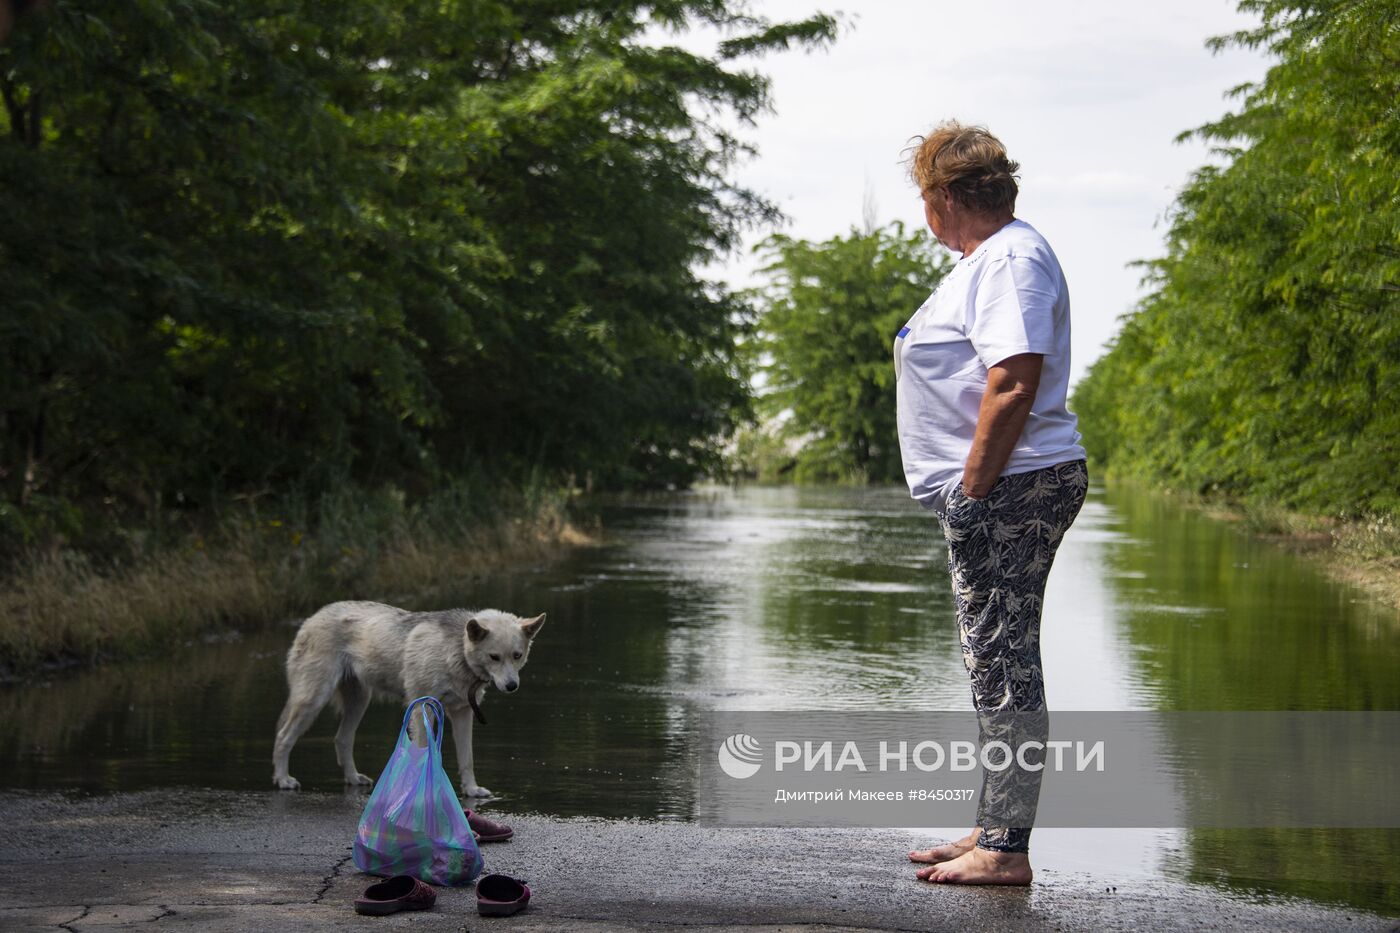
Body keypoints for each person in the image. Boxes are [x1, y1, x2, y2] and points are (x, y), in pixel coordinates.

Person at [893, 121, 1088, 885]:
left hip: (1013, 486)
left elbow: (1012, 382)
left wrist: (971, 495)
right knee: (992, 660)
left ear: (943, 197)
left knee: (1005, 662)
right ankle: (993, 826)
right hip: (1003, 485)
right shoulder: (989, 261)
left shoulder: (1009, 259)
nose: (924, 210)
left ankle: (1006, 849)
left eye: (923, 196)